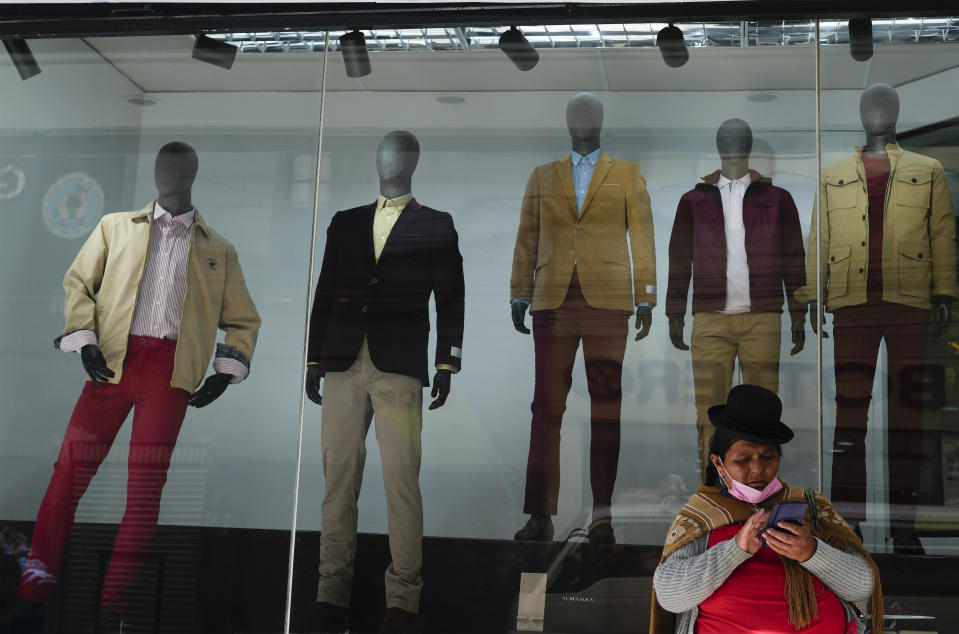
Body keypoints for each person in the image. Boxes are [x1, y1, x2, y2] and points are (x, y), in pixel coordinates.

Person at [651, 385, 883, 634]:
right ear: (718, 462)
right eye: (742, 459)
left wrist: (812, 552)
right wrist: (735, 550)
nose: (757, 470)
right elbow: (670, 597)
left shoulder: (810, 505)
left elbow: (863, 586)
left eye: (768, 457)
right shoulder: (702, 514)